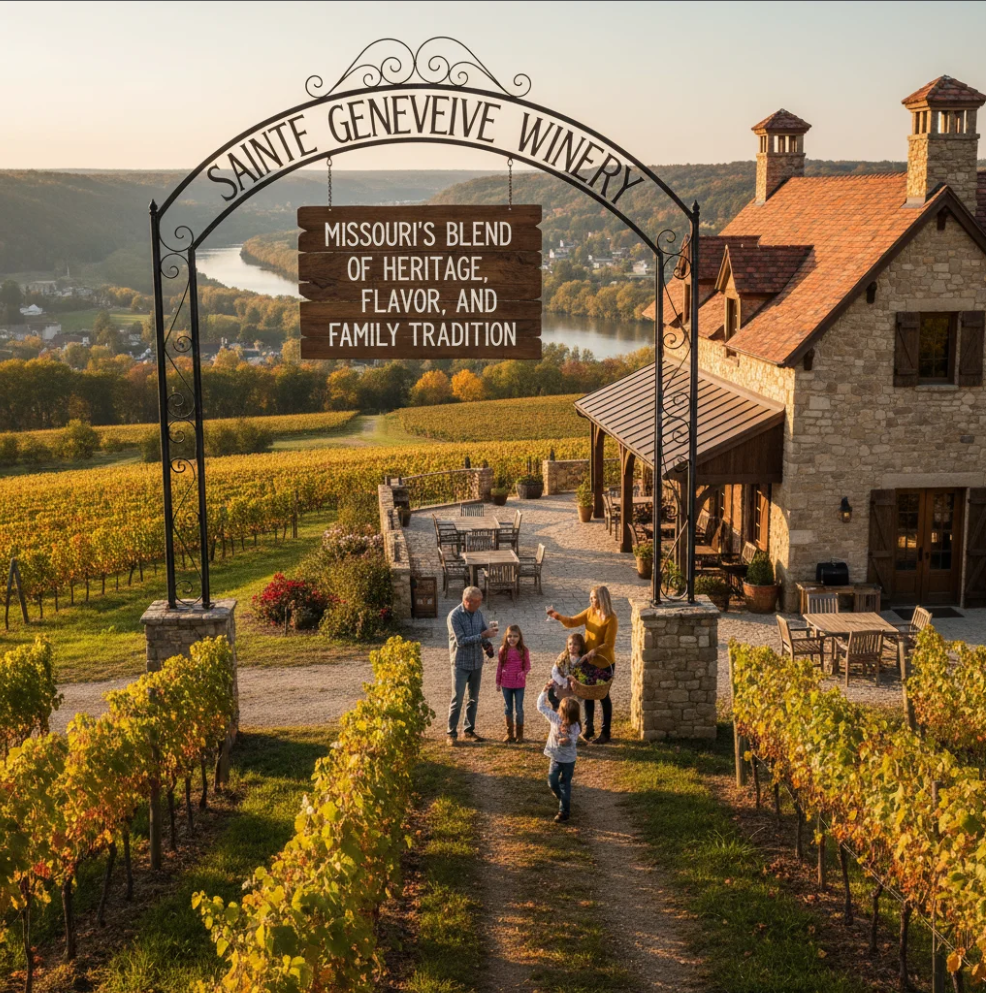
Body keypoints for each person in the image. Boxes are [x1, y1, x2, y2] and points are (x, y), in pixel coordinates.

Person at [546, 585, 617, 745]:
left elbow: (609, 644)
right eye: (590, 597)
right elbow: (572, 621)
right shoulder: (590, 611)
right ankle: (589, 729)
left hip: (604, 662)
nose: (591, 600)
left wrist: (594, 651)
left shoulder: (611, 618)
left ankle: (605, 733)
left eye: (594, 598)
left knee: (603, 697)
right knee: (587, 695)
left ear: (602, 599)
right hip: (588, 662)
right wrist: (558, 616)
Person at [447, 586, 497, 746]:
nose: (480, 604)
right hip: (461, 663)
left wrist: (487, 644)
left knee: (473, 698)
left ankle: (468, 730)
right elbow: (461, 641)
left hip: (476, 662)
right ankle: (451, 733)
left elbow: (482, 632)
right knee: (457, 699)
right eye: (477, 601)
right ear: (467, 601)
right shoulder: (454, 616)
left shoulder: (478, 614)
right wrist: (482, 635)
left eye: (480, 601)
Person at [537, 681, 581, 822]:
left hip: (568, 760)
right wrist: (544, 691)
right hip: (555, 758)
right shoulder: (555, 718)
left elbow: (573, 739)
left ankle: (564, 812)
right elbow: (540, 707)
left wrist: (567, 740)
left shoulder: (575, 726)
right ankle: (562, 798)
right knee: (552, 782)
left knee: (565, 784)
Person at [495, 624, 530, 744]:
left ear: (520, 637)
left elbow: (528, 666)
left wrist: (522, 673)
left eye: (515, 636)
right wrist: (498, 682)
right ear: (506, 637)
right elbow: (499, 666)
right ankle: (509, 733)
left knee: (519, 708)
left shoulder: (523, 650)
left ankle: (519, 734)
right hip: (506, 684)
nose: (512, 639)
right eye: (509, 636)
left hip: (519, 684)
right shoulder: (503, 650)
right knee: (508, 708)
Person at [548, 632, 586, 711]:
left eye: (575, 644)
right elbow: (554, 670)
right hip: (562, 683)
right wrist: (562, 681)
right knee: (552, 691)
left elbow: (584, 675)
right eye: (570, 644)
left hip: (574, 686)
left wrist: (575, 682)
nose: (572, 647)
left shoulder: (582, 659)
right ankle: (556, 709)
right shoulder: (564, 656)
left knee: (571, 707)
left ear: (580, 646)